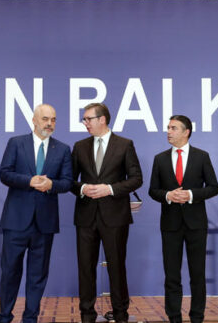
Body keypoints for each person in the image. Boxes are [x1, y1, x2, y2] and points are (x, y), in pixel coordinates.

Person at [0, 103, 73, 323]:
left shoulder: (63, 149)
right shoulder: (16, 143)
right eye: (45, 119)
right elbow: (5, 173)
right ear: (34, 120)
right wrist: (29, 181)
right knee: (10, 272)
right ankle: (4, 316)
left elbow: (67, 182)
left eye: (53, 120)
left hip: (45, 223)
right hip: (16, 221)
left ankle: (30, 318)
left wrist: (51, 184)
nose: (49, 124)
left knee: (37, 276)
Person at [71, 102, 143, 323]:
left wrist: (109, 189)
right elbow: (69, 181)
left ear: (102, 119)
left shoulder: (124, 144)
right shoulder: (80, 146)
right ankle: (87, 315)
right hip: (86, 217)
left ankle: (121, 314)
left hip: (115, 217)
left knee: (117, 266)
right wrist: (83, 188)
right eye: (84, 120)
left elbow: (136, 179)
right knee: (85, 268)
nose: (85, 123)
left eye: (88, 119)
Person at [148, 115, 218, 323]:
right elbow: (153, 190)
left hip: (196, 224)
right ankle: (174, 317)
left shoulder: (201, 156)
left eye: (173, 128)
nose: (168, 131)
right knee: (172, 276)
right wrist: (168, 195)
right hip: (170, 225)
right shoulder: (159, 158)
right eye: (168, 128)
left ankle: (197, 317)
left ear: (186, 132)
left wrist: (190, 195)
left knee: (197, 275)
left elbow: (214, 187)